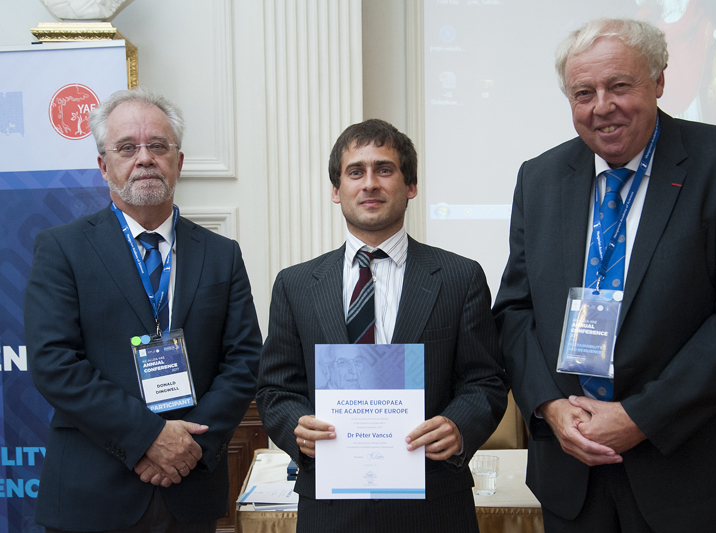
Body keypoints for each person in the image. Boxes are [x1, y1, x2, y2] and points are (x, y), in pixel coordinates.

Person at [492, 18, 716, 533]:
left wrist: (639, 418)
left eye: (619, 85)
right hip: (572, 471)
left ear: (659, 82)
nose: (602, 106)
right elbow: (516, 310)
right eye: (584, 92)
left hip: (689, 473)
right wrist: (551, 407)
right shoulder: (538, 178)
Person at [25, 87, 262, 532]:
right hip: (92, 494)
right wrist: (149, 438)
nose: (145, 158)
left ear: (179, 161)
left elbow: (244, 360)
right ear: (103, 165)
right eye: (127, 148)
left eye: (158, 146)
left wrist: (188, 447)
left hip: (190, 490)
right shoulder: (62, 248)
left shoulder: (221, 253)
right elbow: (54, 363)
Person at [257, 118, 508, 533]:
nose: (369, 183)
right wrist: (296, 426)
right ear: (337, 191)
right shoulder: (296, 284)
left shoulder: (460, 277)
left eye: (384, 169)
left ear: (410, 186)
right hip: (329, 504)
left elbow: (486, 380)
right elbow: (275, 388)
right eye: (355, 172)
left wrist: (459, 426)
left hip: (434, 502)